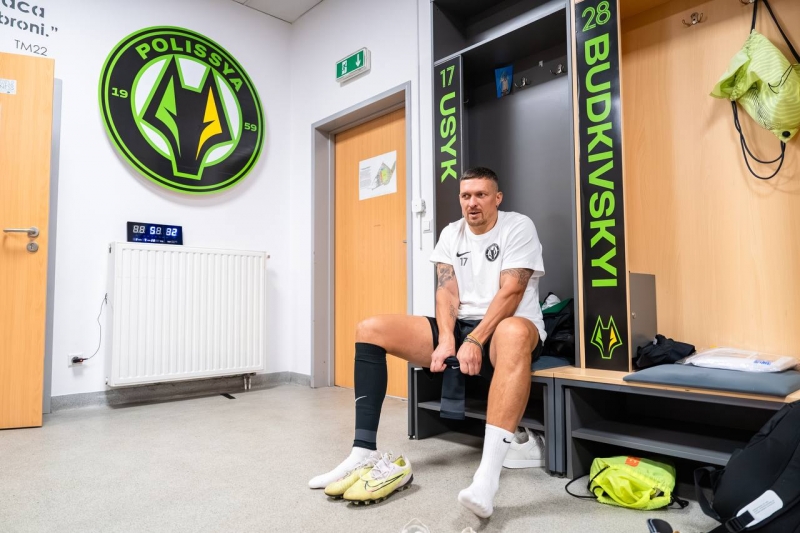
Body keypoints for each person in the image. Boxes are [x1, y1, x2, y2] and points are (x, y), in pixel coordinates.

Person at [308, 166, 546, 517]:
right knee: (370, 329)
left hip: (508, 326)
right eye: (466, 196)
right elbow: (447, 291)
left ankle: (486, 478)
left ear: (497, 198)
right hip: (461, 325)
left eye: (481, 195)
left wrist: (476, 340)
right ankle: (362, 452)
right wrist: (447, 339)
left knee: (512, 332)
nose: (472, 203)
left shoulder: (518, 226)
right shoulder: (451, 233)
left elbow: (512, 292)